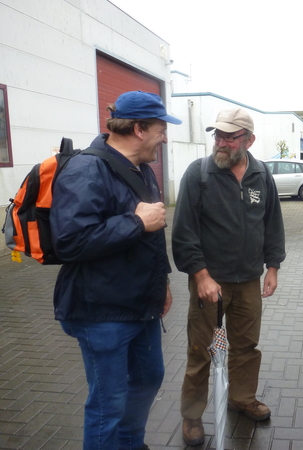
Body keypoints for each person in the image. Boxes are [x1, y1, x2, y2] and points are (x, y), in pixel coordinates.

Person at [50, 90, 182, 450]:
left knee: (149, 378)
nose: (165, 137)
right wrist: (136, 223)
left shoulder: (142, 170)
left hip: (142, 305)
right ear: (139, 128)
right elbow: (69, 241)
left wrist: (163, 284)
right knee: (108, 404)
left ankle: (129, 443)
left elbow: (153, 236)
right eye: (160, 129)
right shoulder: (86, 169)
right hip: (101, 312)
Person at [172, 108, 286, 446]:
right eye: (217, 135)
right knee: (201, 349)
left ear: (248, 141)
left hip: (249, 280)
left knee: (246, 346)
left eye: (229, 137)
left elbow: (272, 224)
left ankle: (242, 397)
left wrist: (273, 267)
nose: (220, 142)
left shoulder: (261, 175)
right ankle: (192, 416)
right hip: (210, 282)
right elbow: (184, 233)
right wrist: (201, 275)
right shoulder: (199, 174)